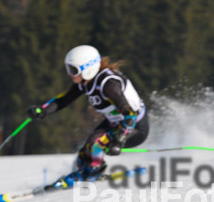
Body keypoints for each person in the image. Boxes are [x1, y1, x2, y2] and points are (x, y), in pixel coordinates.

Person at [27, 45, 149, 187]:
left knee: (95, 143)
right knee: (84, 154)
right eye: (68, 69)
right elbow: (64, 99)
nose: (69, 74)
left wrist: (119, 140)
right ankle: (80, 174)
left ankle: (93, 173)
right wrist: (43, 111)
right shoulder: (85, 82)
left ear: (88, 69)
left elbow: (130, 114)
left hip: (134, 127)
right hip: (114, 122)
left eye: (73, 70)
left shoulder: (109, 84)